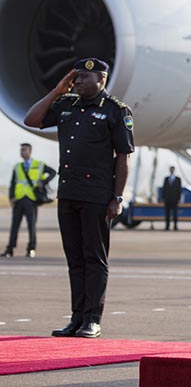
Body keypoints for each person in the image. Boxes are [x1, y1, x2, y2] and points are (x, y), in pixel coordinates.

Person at [23, 58, 134, 339]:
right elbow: (32, 120)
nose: (78, 81)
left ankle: (92, 320)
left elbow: (123, 157)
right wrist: (57, 91)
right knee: (75, 259)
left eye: (85, 77)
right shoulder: (65, 105)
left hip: (97, 195)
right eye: (77, 77)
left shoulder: (115, 111)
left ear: (101, 80)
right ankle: (76, 319)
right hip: (68, 193)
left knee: (94, 258)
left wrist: (117, 198)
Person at [3, 143, 56, 258]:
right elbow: (13, 183)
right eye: (21, 150)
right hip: (19, 199)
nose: (22, 152)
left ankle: (31, 249)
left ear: (30, 151)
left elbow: (53, 172)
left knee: (31, 226)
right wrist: (11, 197)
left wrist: (44, 182)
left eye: (24, 150)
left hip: (31, 200)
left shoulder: (39, 165)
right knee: (14, 226)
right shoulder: (17, 166)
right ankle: (10, 249)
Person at [161, 166, 182, 231]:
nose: (171, 171)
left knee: (175, 214)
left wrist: (179, 198)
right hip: (167, 199)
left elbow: (179, 190)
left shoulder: (178, 179)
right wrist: (163, 198)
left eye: (172, 169)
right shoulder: (166, 179)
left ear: (174, 170)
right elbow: (164, 189)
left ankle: (175, 226)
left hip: (175, 199)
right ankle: (167, 226)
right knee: (167, 213)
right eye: (170, 169)